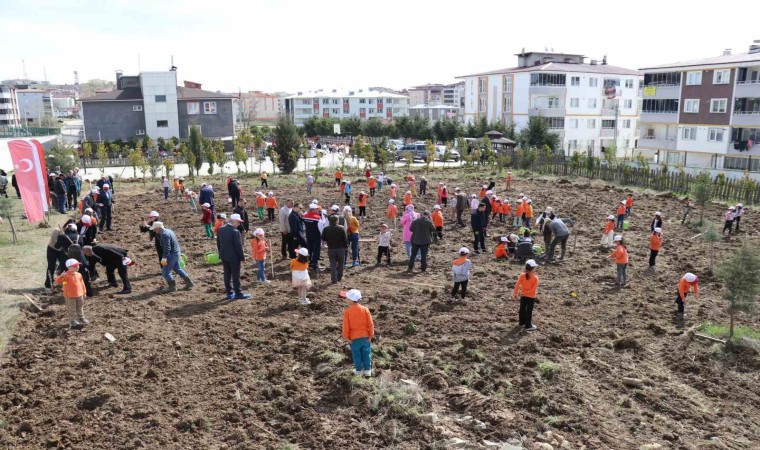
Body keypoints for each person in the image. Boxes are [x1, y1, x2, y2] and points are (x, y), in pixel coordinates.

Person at [152, 222, 195, 293]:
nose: (154, 231)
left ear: (158, 228)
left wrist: (164, 258)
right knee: (177, 268)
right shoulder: (169, 231)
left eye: (154, 229)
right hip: (176, 253)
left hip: (171, 255)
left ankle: (172, 287)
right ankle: (189, 283)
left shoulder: (164, 235)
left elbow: (167, 248)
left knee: (165, 272)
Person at [215, 215, 250, 299]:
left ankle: (229, 293)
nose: (239, 224)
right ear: (234, 221)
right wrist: (242, 258)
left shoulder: (221, 229)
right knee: (235, 275)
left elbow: (218, 244)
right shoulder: (235, 232)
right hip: (234, 258)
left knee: (227, 274)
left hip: (224, 256)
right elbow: (238, 246)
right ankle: (238, 293)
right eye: (238, 222)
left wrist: (221, 254)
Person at [341, 288, 374, 376]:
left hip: (354, 338)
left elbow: (346, 326)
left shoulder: (347, 312)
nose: (345, 299)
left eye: (346, 298)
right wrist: (371, 335)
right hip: (365, 337)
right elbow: (370, 323)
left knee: (356, 354)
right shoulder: (365, 309)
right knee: (366, 353)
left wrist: (346, 337)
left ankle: (358, 370)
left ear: (351, 300)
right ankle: (367, 370)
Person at [55, 259, 89, 329]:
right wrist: (61, 276)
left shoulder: (79, 274)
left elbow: (82, 284)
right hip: (70, 295)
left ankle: (81, 318)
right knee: (72, 308)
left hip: (80, 294)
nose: (77, 267)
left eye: (78, 265)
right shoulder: (65, 275)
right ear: (69, 267)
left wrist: (84, 292)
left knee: (80, 307)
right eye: (75, 266)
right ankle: (73, 321)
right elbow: (57, 282)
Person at [513, 259, 540, 331]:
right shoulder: (535, 278)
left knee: (522, 309)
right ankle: (528, 325)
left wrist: (515, 293)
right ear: (533, 268)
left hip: (523, 296)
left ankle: (521, 323)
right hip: (531, 297)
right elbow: (533, 290)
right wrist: (523, 293)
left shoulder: (522, 275)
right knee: (529, 311)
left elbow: (517, 285)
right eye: (535, 267)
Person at [322, 215, 349, 283]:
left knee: (333, 264)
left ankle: (334, 279)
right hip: (340, 249)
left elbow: (323, 239)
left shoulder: (326, 229)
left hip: (331, 248)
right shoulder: (341, 228)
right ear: (337, 221)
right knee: (341, 264)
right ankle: (339, 277)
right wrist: (346, 246)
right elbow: (345, 239)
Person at [303, 203, 323, 270]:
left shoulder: (305, 216)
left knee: (309, 248)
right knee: (316, 249)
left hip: (308, 235)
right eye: (316, 209)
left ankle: (308, 261)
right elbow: (320, 228)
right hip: (316, 235)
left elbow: (303, 225)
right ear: (314, 209)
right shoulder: (317, 218)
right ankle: (314, 263)